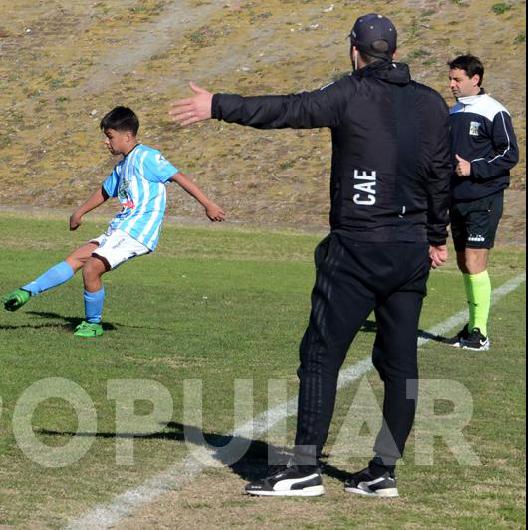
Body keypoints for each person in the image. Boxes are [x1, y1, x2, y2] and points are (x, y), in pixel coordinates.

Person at [170, 13, 451, 497]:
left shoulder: (350, 92)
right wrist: (436, 235)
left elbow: (290, 110)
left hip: (359, 245)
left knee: (320, 355)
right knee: (400, 364)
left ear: (354, 50)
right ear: (396, 52)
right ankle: (383, 471)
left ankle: (303, 469)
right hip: (409, 250)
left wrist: (217, 104)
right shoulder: (431, 102)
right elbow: (442, 172)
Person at [2, 106, 225, 337]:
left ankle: (93, 324)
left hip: (137, 231)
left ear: (127, 136)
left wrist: (208, 204)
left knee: (91, 269)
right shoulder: (122, 166)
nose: (106, 143)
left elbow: (179, 177)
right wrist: (80, 212)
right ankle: (26, 292)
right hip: (120, 227)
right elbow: (105, 191)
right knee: (76, 258)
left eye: (110, 137)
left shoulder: (147, 156)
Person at [446, 55, 519, 351]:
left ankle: (481, 332)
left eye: (457, 79)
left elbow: (509, 154)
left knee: (475, 260)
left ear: (475, 79)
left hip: (484, 197)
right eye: (450, 79)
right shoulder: (453, 112)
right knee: (465, 263)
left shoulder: (495, 111)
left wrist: (474, 168)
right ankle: (473, 324)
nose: (451, 84)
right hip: (457, 198)